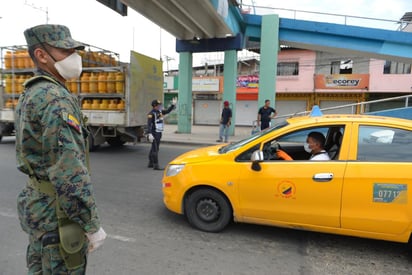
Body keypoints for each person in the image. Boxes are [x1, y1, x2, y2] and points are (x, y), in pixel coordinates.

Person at [15, 24, 106, 274]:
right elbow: (69, 171)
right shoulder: (55, 99)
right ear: (42, 56)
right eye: (66, 51)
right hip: (58, 214)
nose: (75, 57)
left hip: (38, 207)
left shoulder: (32, 91)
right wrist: (91, 224)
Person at [147, 98, 177, 170]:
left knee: (154, 148)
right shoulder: (151, 114)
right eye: (159, 105)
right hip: (154, 133)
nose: (160, 106)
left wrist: (173, 105)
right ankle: (156, 165)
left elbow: (167, 111)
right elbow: (149, 124)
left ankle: (150, 163)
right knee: (155, 149)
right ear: (155, 106)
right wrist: (150, 133)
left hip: (159, 132)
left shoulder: (159, 112)